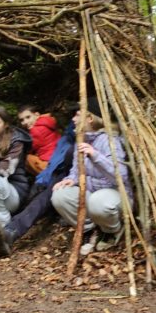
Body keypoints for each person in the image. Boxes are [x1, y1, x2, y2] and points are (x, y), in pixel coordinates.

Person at [0, 107, 78, 258]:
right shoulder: (68, 133)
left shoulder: (80, 140)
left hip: (62, 175)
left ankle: (9, 229)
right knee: (36, 200)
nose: (73, 119)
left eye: (77, 116)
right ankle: (8, 230)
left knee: (37, 200)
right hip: (54, 172)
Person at [50, 98, 132, 255]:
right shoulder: (81, 140)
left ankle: (110, 231)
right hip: (92, 193)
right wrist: (71, 179)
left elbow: (121, 175)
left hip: (115, 197)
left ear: (89, 118)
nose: (73, 119)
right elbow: (76, 170)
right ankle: (90, 229)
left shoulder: (110, 140)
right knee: (59, 195)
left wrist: (95, 155)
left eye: (77, 115)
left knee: (98, 201)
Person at [18, 104, 61, 175]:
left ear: (37, 115)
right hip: (58, 156)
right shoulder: (47, 122)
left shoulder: (35, 130)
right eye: (22, 120)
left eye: (28, 117)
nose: (25, 122)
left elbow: (29, 148)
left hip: (49, 162)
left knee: (25, 158)